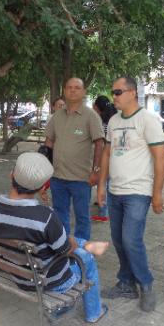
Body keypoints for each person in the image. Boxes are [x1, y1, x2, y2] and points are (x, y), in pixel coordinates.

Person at [0, 152, 109, 323]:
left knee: (66, 241)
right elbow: (66, 250)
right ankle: (94, 312)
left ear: (11, 175)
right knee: (86, 258)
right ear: (42, 188)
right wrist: (73, 244)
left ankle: (86, 244)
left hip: (18, 274)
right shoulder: (45, 217)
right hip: (48, 281)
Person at [98, 76, 164, 312]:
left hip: (138, 191)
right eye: (113, 92)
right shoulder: (114, 121)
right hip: (115, 191)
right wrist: (100, 186)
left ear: (132, 93)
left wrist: (157, 193)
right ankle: (126, 283)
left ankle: (145, 284)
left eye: (117, 92)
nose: (114, 97)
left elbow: (160, 157)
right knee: (118, 240)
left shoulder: (148, 120)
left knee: (130, 239)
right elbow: (107, 153)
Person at [44, 78, 105, 241]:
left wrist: (96, 171)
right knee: (60, 214)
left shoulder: (91, 116)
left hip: (81, 178)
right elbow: (49, 141)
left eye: (77, 88)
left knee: (82, 217)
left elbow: (100, 144)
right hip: (57, 177)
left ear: (84, 92)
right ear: (64, 91)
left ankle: (81, 252)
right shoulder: (57, 116)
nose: (73, 90)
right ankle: (62, 248)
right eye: (69, 87)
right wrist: (43, 166)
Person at [91, 96, 117, 223]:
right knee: (108, 183)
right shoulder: (115, 118)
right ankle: (104, 207)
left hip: (105, 156)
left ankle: (103, 213)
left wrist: (98, 163)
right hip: (115, 156)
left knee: (103, 183)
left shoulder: (101, 122)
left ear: (97, 107)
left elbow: (101, 144)